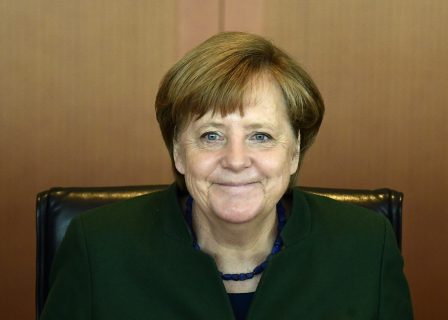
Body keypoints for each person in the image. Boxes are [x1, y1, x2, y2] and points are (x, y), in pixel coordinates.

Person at [40, 32, 413, 319]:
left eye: (260, 136)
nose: (236, 160)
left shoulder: (366, 247)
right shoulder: (99, 248)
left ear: (295, 149)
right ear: (178, 151)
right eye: (211, 135)